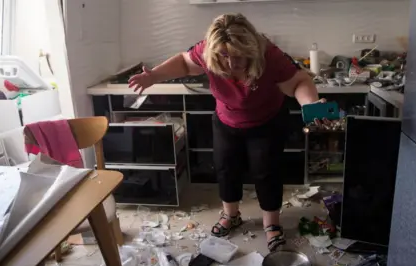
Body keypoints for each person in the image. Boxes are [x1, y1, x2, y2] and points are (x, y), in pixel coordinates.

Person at [128, 13, 323, 251]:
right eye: (224, 56)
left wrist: (311, 105)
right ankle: (231, 215)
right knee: (225, 167)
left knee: (266, 172)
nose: (231, 64)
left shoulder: (269, 55)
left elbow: (299, 82)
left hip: (266, 122)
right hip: (226, 120)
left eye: (239, 56)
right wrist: (154, 76)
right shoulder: (207, 50)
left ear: (251, 48)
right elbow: (183, 61)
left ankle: (271, 224)